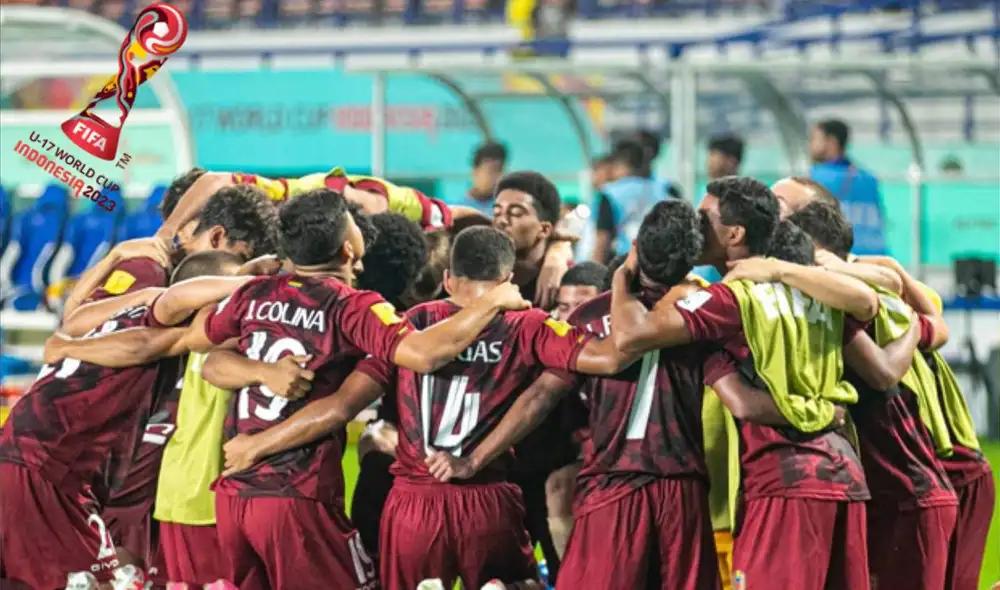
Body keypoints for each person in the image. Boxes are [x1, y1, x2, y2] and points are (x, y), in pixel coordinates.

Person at [214, 225, 635, 589]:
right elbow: (610, 358)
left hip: (412, 507)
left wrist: (259, 440)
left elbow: (343, 403)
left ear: (449, 280)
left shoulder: (407, 326)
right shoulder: (530, 325)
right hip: (486, 499)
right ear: (509, 280)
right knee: (522, 580)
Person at [195, 189, 531, 588]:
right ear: (348, 250)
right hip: (294, 496)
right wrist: (492, 302)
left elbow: (210, 356)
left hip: (234, 497)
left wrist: (258, 372)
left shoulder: (255, 293)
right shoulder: (353, 307)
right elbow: (419, 356)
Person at [0, 251, 250, 590]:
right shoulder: (164, 319)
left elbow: (73, 320)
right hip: (47, 462)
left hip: (39, 458)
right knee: (92, 582)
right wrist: (256, 285)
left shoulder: (124, 312)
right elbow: (176, 307)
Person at [789, 201, 961, 590]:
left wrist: (915, 321)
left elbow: (885, 370)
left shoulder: (849, 302)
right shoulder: (848, 297)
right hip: (893, 496)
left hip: (909, 497)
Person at [492, 170, 580, 581]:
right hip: (497, 454)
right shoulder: (483, 282)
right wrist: (560, 242)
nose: (502, 220)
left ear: (543, 226)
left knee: (565, 570)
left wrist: (561, 249)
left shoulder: (572, 286)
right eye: (497, 211)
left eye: (515, 212)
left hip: (555, 451)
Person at [808, 119, 888, 256]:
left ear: (831, 142)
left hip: (839, 259)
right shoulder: (868, 178)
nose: (810, 145)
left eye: (814, 139)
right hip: (875, 256)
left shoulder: (816, 177)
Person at [590, 140, 675, 264]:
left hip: (625, 265)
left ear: (621, 164)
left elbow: (603, 241)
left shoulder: (609, 193)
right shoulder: (667, 189)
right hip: (663, 265)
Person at [449, 142, 508, 216]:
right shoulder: (456, 210)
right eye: (491, 171)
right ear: (475, 172)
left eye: (500, 171)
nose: (497, 177)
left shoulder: (505, 211)